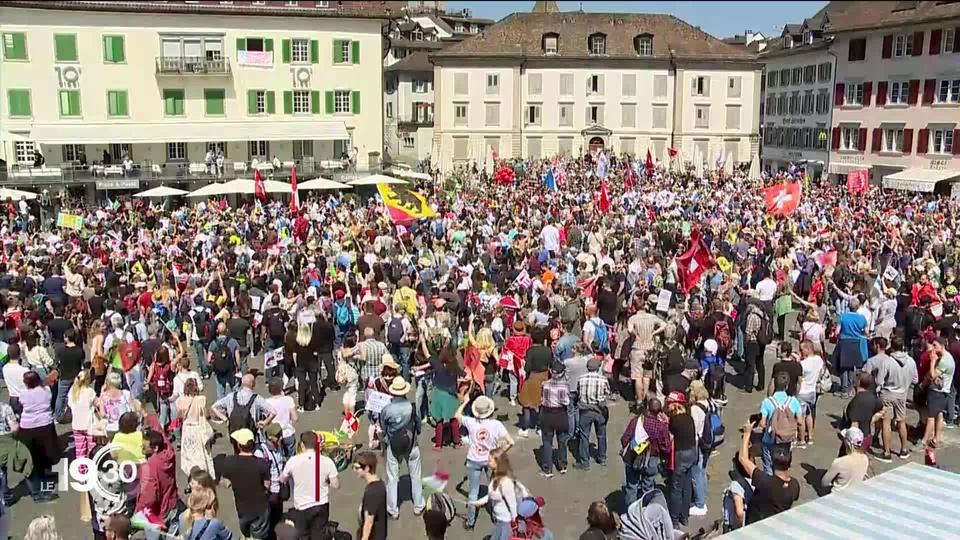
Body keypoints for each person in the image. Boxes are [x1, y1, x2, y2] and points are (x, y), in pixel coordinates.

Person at [454, 394, 514, 530]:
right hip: (490, 460)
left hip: (473, 459)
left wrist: (465, 402)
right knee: (492, 489)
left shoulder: (470, 422)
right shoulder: (496, 425)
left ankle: (470, 522)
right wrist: (499, 452)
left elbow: (457, 415)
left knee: (473, 492)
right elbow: (511, 442)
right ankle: (495, 516)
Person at [737, 419, 800, 525]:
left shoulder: (766, 482)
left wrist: (747, 434)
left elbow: (743, 459)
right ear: (789, 463)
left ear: (772, 462)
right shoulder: (794, 485)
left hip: (758, 524)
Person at [379, 376, 426, 518]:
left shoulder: (387, 409)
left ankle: (393, 509)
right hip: (411, 444)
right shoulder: (411, 407)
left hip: (393, 445)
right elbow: (418, 425)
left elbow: (383, 426)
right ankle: (418, 505)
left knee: (392, 477)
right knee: (416, 475)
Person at [280, 431, 340, 539]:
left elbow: (282, 479)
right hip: (321, 504)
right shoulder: (327, 461)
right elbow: (336, 484)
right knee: (319, 536)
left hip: (302, 506)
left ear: (302, 444)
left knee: (303, 536)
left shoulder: (293, 461)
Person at [216, 428, 271, 540]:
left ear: (239, 445)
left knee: (245, 533)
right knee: (258, 536)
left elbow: (225, 483)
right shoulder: (261, 463)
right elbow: (267, 485)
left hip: (242, 508)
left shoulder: (229, 462)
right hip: (260, 508)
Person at [619, 397, 670, 510]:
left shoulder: (636, 421)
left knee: (632, 486)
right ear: (660, 411)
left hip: (634, 457)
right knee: (648, 487)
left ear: (647, 408)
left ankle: (631, 513)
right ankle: (646, 512)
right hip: (652, 459)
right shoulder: (662, 427)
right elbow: (666, 448)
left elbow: (624, 438)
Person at [17, 371, 59, 502]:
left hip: (27, 428)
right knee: (43, 455)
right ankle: (40, 488)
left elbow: (20, 406)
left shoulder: (23, 393)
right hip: (45, 426)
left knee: (31, 460)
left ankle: (38, 490)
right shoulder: (46, 390)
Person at [874, 335, 917, 459]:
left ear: (891, 347)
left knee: (886, 422)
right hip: (902, 394)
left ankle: (887, 452)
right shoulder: (911, 361)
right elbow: (915, 379)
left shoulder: (887, 361)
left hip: (888, 393)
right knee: (901, 421)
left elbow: (879, 381)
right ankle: (904, 449)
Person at [137, 421, 180, 540]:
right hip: (172, 504)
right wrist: (153, 423)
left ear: (155, 448)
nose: (141, 448)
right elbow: (164, 438)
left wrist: (139, 511)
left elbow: (150, 496)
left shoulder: (151, 466)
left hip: (157, 512)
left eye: (144, 447)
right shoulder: (170, 454)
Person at [467, 448, 520, 540]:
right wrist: (478, 502)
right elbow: (491, 495)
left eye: (490, 460)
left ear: (498, 462)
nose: (488, 462)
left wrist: (514, 520)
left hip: (505, 522)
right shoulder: (494, 477)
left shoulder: (506, 482)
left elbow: (512, 503)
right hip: (498, 519)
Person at [758, 372, 802, 474]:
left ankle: (769, 486)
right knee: (782, 467)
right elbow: (800, 422)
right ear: (786, 386)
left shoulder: (767, 402)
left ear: (774, 385)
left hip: (770, 439)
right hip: (786, 440)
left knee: (768, 467)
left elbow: (762, 424)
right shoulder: (794, 401)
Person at [210, 373, 276, 439]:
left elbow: (214, 407)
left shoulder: (231, 396)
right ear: (253, 384)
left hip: (235, 434)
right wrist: (265, 422)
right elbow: (273, 412)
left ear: (242, 382)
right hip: (251, 434)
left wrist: (225, 419)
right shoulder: (257, 399)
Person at [575, 356, 610, 470]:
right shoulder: (603, 379)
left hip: (585, 410)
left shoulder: (581, 378)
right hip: (599, 410)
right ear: (598, 367)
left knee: (584, 436)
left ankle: (585, 462)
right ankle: (602, 457)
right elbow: (607, 392)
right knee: (601, 434)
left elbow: (578, 392)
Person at [176, 377, 215, 475]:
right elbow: (207, 416)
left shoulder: (180, 400)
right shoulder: (201, 399)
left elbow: (179, 417)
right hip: (197, 428)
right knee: (201, 454)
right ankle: (202, 475)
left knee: (189, 456)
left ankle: (191, 476)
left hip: (187, 429)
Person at [538, 361, 570, 477]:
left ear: (551, 371)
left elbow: (541, 399)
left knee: (547, 442)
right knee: (562, 441)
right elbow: (566, 402)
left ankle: (547, 469)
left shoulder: (544, 384)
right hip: (561, 414)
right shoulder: (565, 385)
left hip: (547, 414)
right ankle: (562, 465)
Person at [923, 337, 956, 448]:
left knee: (931, 416)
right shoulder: (946, 357)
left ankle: (925, 440)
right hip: (943, 390)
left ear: (942, 346)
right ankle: (937, 437)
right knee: (939, 414)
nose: (933, 348)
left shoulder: (945, 360)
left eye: (935, 346)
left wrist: (933, 361)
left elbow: (932, 374)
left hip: (938, 391)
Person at [354, 450, 388, 540]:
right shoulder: (379, 483)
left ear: (367, 468)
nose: (355, 470)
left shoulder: (372, 493)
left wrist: (364, 538)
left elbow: (369, 522)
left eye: (357, 468)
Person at [822, 427, 869, 492]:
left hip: (838, 496)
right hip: (855, 494)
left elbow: (825, 482)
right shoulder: (865, 458)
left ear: (847, 443)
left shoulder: (839, 462)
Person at [796, 340, 825, 447]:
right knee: (809, 415)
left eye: (802, 349)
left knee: (801, 417)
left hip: (803, 392)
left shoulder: (803, 364)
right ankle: (811, 436)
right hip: (813, 391)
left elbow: (799, 378)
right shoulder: (819, 360)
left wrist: (798, 360)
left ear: (807, 349)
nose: (800, 351)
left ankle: (802, 439)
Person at [265, 378, 298, 457]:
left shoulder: (267, 402)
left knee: (277, 456)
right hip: (288, 432)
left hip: (274, 434)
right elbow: (295, 418)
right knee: (291, 456)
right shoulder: (289, 400)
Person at [207, 323, 241, 400]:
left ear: (217, 331)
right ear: (226, 330)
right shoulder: (233, 341)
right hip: (231, 369)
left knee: (220, 390)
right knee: (235, 388)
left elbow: (208, 360)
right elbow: (237, 357)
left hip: (219, 371)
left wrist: (215, 365)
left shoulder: (213, 343)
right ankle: (236, 404)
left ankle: (221, 408)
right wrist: (238, 367)